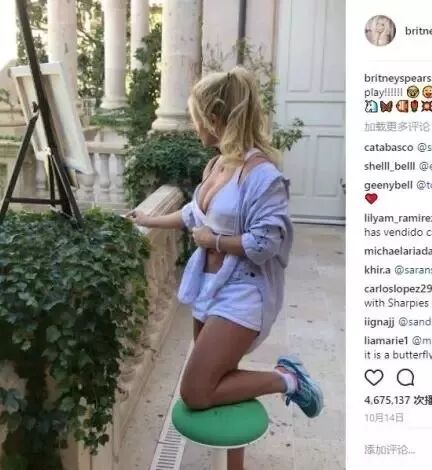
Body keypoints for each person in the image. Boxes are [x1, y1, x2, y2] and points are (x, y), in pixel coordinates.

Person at [127, 66, 324, 470]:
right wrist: (148, 219)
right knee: (223, 378)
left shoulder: (263, 176)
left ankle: (287, 379)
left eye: (197, 117)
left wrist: (214, 241)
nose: (194, 126)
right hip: (210, 287)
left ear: (216, 118)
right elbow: (193, 214)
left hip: (244, 293)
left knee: (197, 391)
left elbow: (266, 243)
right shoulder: (216, 165)